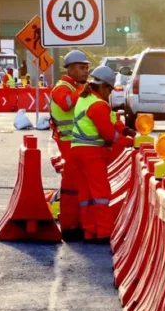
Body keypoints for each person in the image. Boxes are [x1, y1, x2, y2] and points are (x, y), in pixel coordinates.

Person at [69, 66, 136, 243]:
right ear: (104, 87)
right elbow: (108, 134)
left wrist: (126, 129)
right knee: (100, 194)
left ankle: (90, 231)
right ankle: (104, 233)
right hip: (92, 153)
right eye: (110, 90)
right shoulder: (98, 105)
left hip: (78, 151)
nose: (111, 94)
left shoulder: (86, 99)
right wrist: (131, 142)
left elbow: (111, 119)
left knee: (86, 195)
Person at [50, 50, 90, 239]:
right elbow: (66, 104)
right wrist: (83, 91)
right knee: (72, 187)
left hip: (75, 144)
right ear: (71, 69)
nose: (85, 72)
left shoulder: (75, 87)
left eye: (87, 68)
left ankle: (77, 224)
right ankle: (70, 226)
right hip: (68, 143)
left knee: (78, 185)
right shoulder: (62, 88)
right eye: (82, 68)